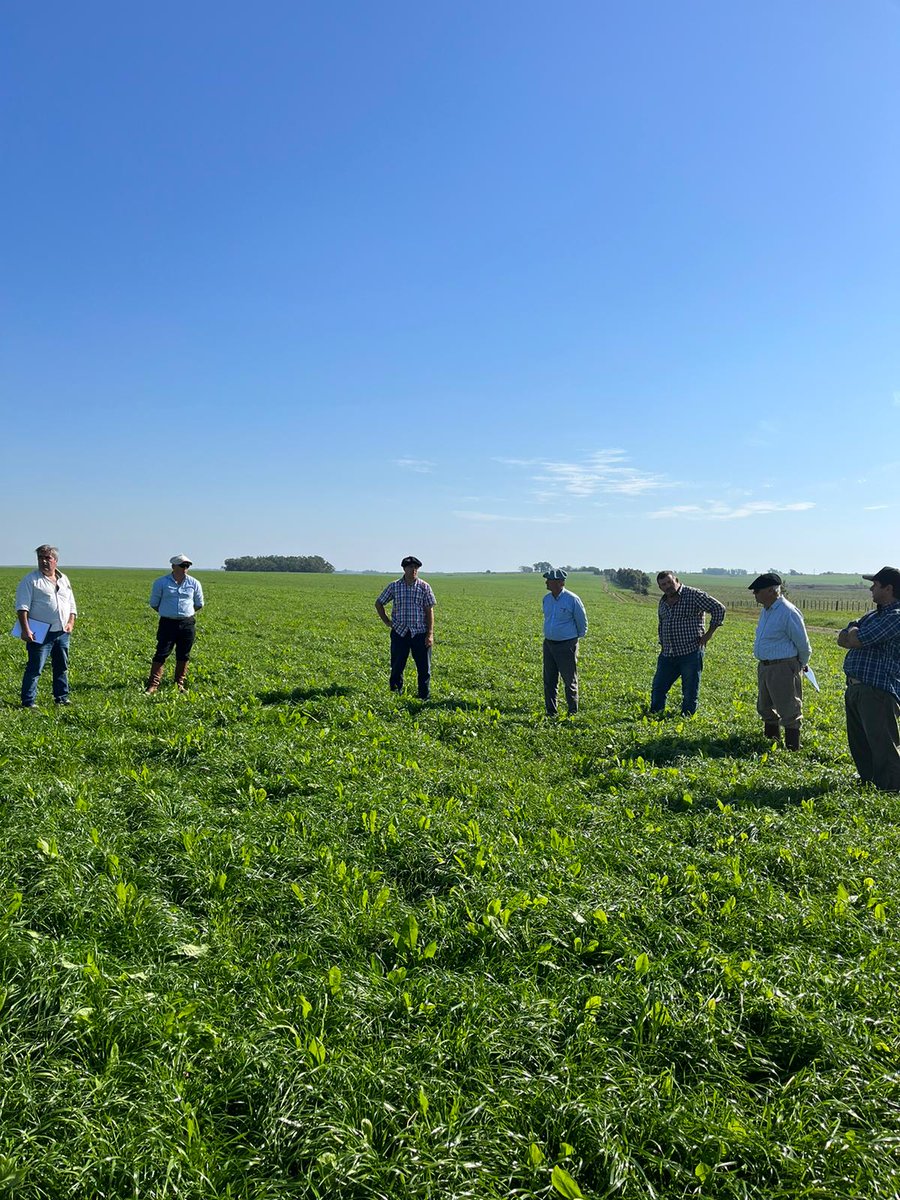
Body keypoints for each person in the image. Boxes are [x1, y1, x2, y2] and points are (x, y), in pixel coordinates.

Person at [837, 566, 900, 791]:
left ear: (889, 588)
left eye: (875, 585)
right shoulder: (874, 615)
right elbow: (842, 639)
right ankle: (869, 784)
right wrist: (853, 631)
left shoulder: (895, 617)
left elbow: (854, 639)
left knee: (882, 743)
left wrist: (854, 629)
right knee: (860, 743)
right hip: (856, 687)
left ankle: (891, 787)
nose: (871, 589)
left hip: (877, 689)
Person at [650, 571, 726, 716]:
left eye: (669, 582)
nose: (667, 586)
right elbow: (662, 623)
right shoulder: (663, 601)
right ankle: (655, 714)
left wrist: (708, 634)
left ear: (676, 580)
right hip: (668, 654)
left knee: (690, 690)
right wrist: (663, 642)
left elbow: (718, 608)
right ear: (660, 588)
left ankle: (687, 717)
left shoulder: (693, 595)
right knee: (658, 687)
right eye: (663, 584)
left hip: (690, 652)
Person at [750, 572, 811, 750]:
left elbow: (803, 644)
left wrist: (798, 665)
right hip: (766, 666)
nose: (754, 594)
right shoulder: (766, 611)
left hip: (783, 667)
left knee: (789, 708)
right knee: (765, 707)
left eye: (757, 590)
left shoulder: (788, 612)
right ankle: (771, 743)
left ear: (771, 591)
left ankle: (792, 748)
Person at [15, 544, 77, 708]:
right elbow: (22, 607)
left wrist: (71, 622)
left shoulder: (63, 579)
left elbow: (71, 604)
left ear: (55, 560)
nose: (43, 561)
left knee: (61, 666)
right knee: (35, 668)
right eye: (40, 558)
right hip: (40, 632)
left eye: (47, 558)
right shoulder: (31, 580)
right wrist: (25, 630)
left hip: (62, 632)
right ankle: (28, 702)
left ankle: (61, 698)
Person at [375, 556, 436, 699]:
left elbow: (429, 610)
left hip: (420, 633)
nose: (413, 570)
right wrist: (387, 621)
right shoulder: (394, 586)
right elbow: (379, 603)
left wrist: (430, 634)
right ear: (404, 569)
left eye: (416, 568)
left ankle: (423, 697)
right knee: (397, 666)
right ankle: (395, 694)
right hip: (399, 633)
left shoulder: (424, 587)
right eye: (410, 567)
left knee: (424, 668)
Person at [145, 555, 204, 693]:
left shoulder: (194, 583)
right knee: (161, 652)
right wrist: (168, 612)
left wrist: (185, 613)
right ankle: (153, 685)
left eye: (187, 566)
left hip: (187, 623)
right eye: (182, 565)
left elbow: (199, 604)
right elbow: (154, 603)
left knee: (184, 654)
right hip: (167, 623)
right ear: (173, 566)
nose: (185, 568)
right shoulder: (161, 582)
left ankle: (179, 684)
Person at [542, 569, 588, 717]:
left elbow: (582, 622)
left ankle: (572, 712)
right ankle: (551, 712)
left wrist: (573, 640)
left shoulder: (572, 599)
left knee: (569, 680)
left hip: (566, 645)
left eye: (549, 580)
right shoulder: (546, 599)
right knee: (549, 680)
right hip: (549, 644)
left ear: (559, 582)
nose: (546, 582)